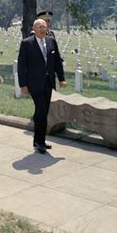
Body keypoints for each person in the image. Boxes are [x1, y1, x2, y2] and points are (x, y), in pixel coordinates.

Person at [18, 19, 67, 154]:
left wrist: (61, 79)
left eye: (44, 27)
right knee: (41, 110)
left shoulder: (51, 41)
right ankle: (40, 142)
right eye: (39, 27)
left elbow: (57, 61)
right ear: (34, 28)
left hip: (48, 83)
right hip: (34, 83)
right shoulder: (27, 43)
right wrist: (23, 85)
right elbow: (21, 66)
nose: (42, 29)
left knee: (43, 112)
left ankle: (38, 140)